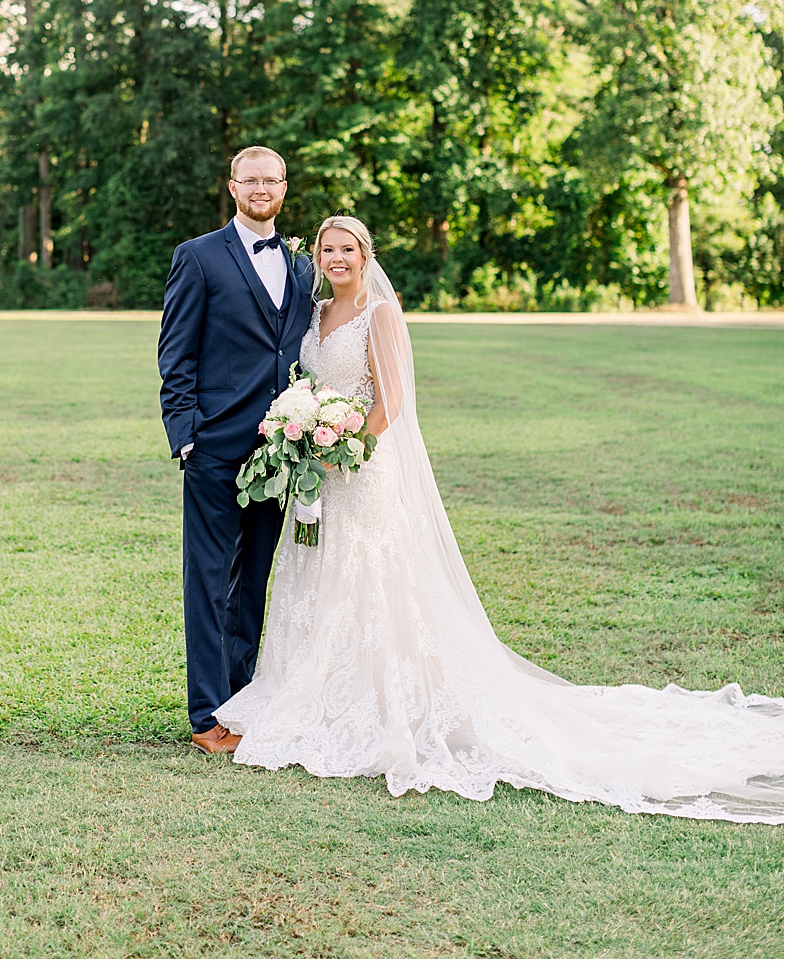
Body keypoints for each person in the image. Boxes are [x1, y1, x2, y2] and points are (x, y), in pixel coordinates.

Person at [217, 216, 783, 823]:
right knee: (317, 576)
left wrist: (345, 449)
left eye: (346, 250)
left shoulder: (380, 313)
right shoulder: (314, 312)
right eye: (327, 249)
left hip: (361, 468)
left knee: (371, 581)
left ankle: (387, 706)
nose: (335, 259)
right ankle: (317, 695)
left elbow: (394, 402)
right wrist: (303, 437)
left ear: (365, 254)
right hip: (320, 477)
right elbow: (307, 379)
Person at [157, 148, 313, 754]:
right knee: (209, 580)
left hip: (280, 449)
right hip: (216, 447)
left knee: (253, 580)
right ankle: (205, 715)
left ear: (282, 188)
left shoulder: (301, 266)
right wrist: (186, 434)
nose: (260, 189)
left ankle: (244, 698)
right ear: (232, 187)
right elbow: (176, 354)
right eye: (250, 180)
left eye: (270, 180)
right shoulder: (197, 257)